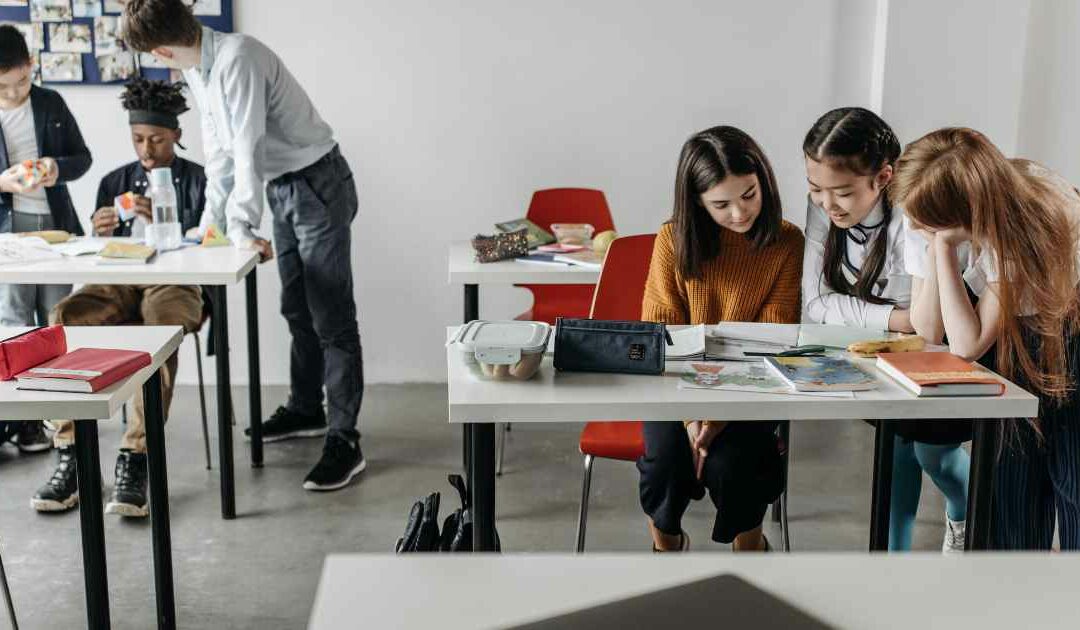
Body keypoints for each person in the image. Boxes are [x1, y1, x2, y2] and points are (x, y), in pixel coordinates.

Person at [123, 0, 365, 491]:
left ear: (163, 46)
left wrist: (240, 223)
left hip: (318, 184)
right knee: (296, 307)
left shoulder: (238, 58)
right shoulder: (198, 69)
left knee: (331, 316)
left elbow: (247, 143)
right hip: (282, 187)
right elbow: (219, 152)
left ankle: (346, 440)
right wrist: (212, 224)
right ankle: (305, 409)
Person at [893, 127, 1080, 550]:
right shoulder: (936, 206)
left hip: (1064, 337)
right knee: (1011, 493)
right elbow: (929, 329)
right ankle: (1012, 605)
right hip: (1020, 343)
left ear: (965, 214)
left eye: (929, 224)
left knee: (1072, 485)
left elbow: (966, 344)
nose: (915, 226)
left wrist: (941, 249)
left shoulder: (1028, 219)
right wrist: (940, 245)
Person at [31, 79, 205, 516]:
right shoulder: (114, 180)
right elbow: (95, 251)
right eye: (138, 139)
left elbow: (213, 241)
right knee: (65, 317)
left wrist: (171, 222)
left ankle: (137, 457)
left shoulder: (199, 179)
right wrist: (101, 228)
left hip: (176, 280)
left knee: (159, 336)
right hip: (120, 275)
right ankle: (70, 452)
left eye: (157, 140)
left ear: (177, 136)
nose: (146, 150)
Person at [802, 108, 970, 553]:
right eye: (815, 189)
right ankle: (893, 565)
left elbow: (930, 324)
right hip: (886, 351)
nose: (826, 204)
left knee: (934, 456)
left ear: (883, 177)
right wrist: (896, 318)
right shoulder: (824, 209)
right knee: (896, 454)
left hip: (951, 344)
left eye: (841, 192)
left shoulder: (915, 212)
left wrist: (889, 317)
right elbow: (816, 304)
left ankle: (965, 515)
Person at [639, 126, 804, 552]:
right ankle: (666, 545)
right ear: (696, 201)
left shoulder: (786, 242)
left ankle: (750, 550)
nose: (739, 213)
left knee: (737, 465)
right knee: (666, 466)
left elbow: (772, 339)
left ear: (762, 182)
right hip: (674, 391)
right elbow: (662, 338)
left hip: (751, 390)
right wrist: (694, 418)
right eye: (721, 204)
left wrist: (719, 416)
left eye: (749, 195)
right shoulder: (671, 242)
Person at [0, 25, 91, 455]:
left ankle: (62, 419)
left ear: (32, 66)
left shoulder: (50, 102)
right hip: (8, 231)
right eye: (4, 85)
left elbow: (82, 157)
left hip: (55, 228)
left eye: (22, 81)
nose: (16, 92)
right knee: (14, 322)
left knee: (55, 319)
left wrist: (55, 167)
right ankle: (25, 421)